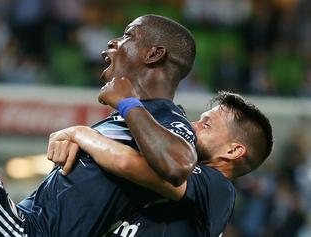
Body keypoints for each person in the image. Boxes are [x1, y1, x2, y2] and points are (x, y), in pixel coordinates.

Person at [0, 14, 198, 237]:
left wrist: (127, 102)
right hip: (23, 220)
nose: (113, 42)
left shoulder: (168, 119)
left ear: (153, 54)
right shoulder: (124, 118)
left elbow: (179, 164)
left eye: (128, 35)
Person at [48, 90, 273, 237]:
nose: (191, 126)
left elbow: (127, 162)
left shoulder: (218, 188)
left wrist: (81, 133)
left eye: (206, 125)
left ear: (233, 150)